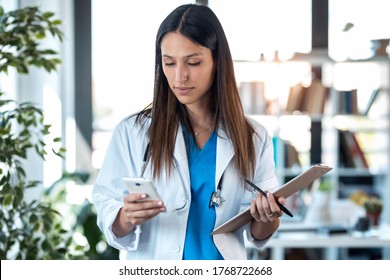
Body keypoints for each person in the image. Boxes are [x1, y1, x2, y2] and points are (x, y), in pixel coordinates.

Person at [92, 3, 285, 260]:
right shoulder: (133, 132)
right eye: (169, 63)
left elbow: (258, 233)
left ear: (217, 61)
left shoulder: (253, 136)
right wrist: (125, 217)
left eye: (193, 62)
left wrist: (269, 217)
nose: (179, 76)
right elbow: (107, 206)